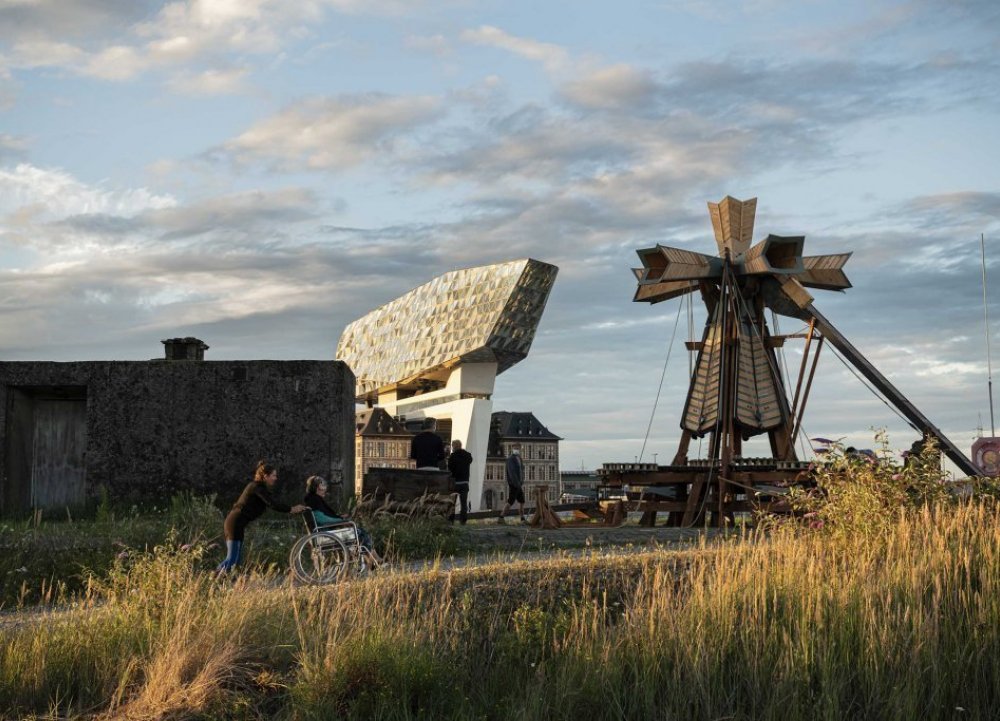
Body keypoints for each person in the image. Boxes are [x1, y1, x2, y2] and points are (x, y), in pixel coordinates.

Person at [218, 460, 307, 573]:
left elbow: (273, 502)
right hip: (234, 523)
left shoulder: (259, 487)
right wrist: (291, 509)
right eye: (274, 475)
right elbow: (272, 504)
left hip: (237, 524)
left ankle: (222, 581)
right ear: (265, 476)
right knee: (232, 559)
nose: (276, 478)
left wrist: (290, 509)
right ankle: (213, 578)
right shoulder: (256, 487)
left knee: (236, 560)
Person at [447, 439, 473, 525]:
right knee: (464, 503)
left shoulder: (452, 456)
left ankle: (451, 520)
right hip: (465, 483)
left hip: (455, 483)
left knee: (452, 503)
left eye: (452, 446)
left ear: (454, 446)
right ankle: (463, 521)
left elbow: (449, 469)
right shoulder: (467, 455)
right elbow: (470, 460)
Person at [497, 447, 525, 524]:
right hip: (514, 485)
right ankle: (501, 517)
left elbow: (521, 470)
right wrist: (516, 483)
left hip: (519, 484)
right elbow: (512, 472)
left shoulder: (519, 458)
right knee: (510, 502)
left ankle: (522, 519)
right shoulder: (510, 459)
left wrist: (521, 482)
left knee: (522, 501)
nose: (519, 450)